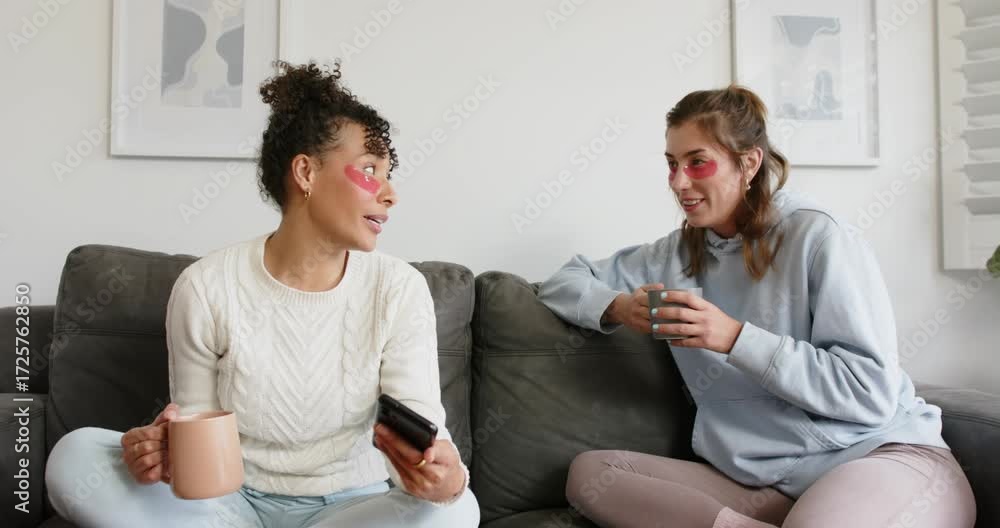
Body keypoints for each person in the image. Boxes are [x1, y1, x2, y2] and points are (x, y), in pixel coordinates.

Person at [45, 61, 480, 528]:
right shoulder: (206, 286)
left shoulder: (399, 288)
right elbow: (195, 432)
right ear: (306, 172)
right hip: (229, 505)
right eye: (371, 170)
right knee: (75, 456)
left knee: (459, 510)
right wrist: (162, 457)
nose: (391, 194)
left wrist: (445, 479)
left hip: (353, 511)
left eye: (389, 174)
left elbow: (422, 425)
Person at [538, 86, 976, 528]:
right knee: (593, 476)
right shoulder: (672, 255)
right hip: (766, 486)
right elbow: (564, 280)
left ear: (748, 163)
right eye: (672, 164)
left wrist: (734, 338)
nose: (678, 182)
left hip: (879, 457)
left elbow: (870, 394)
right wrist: (617, 307)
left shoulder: (818, 237)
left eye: (697, 162)